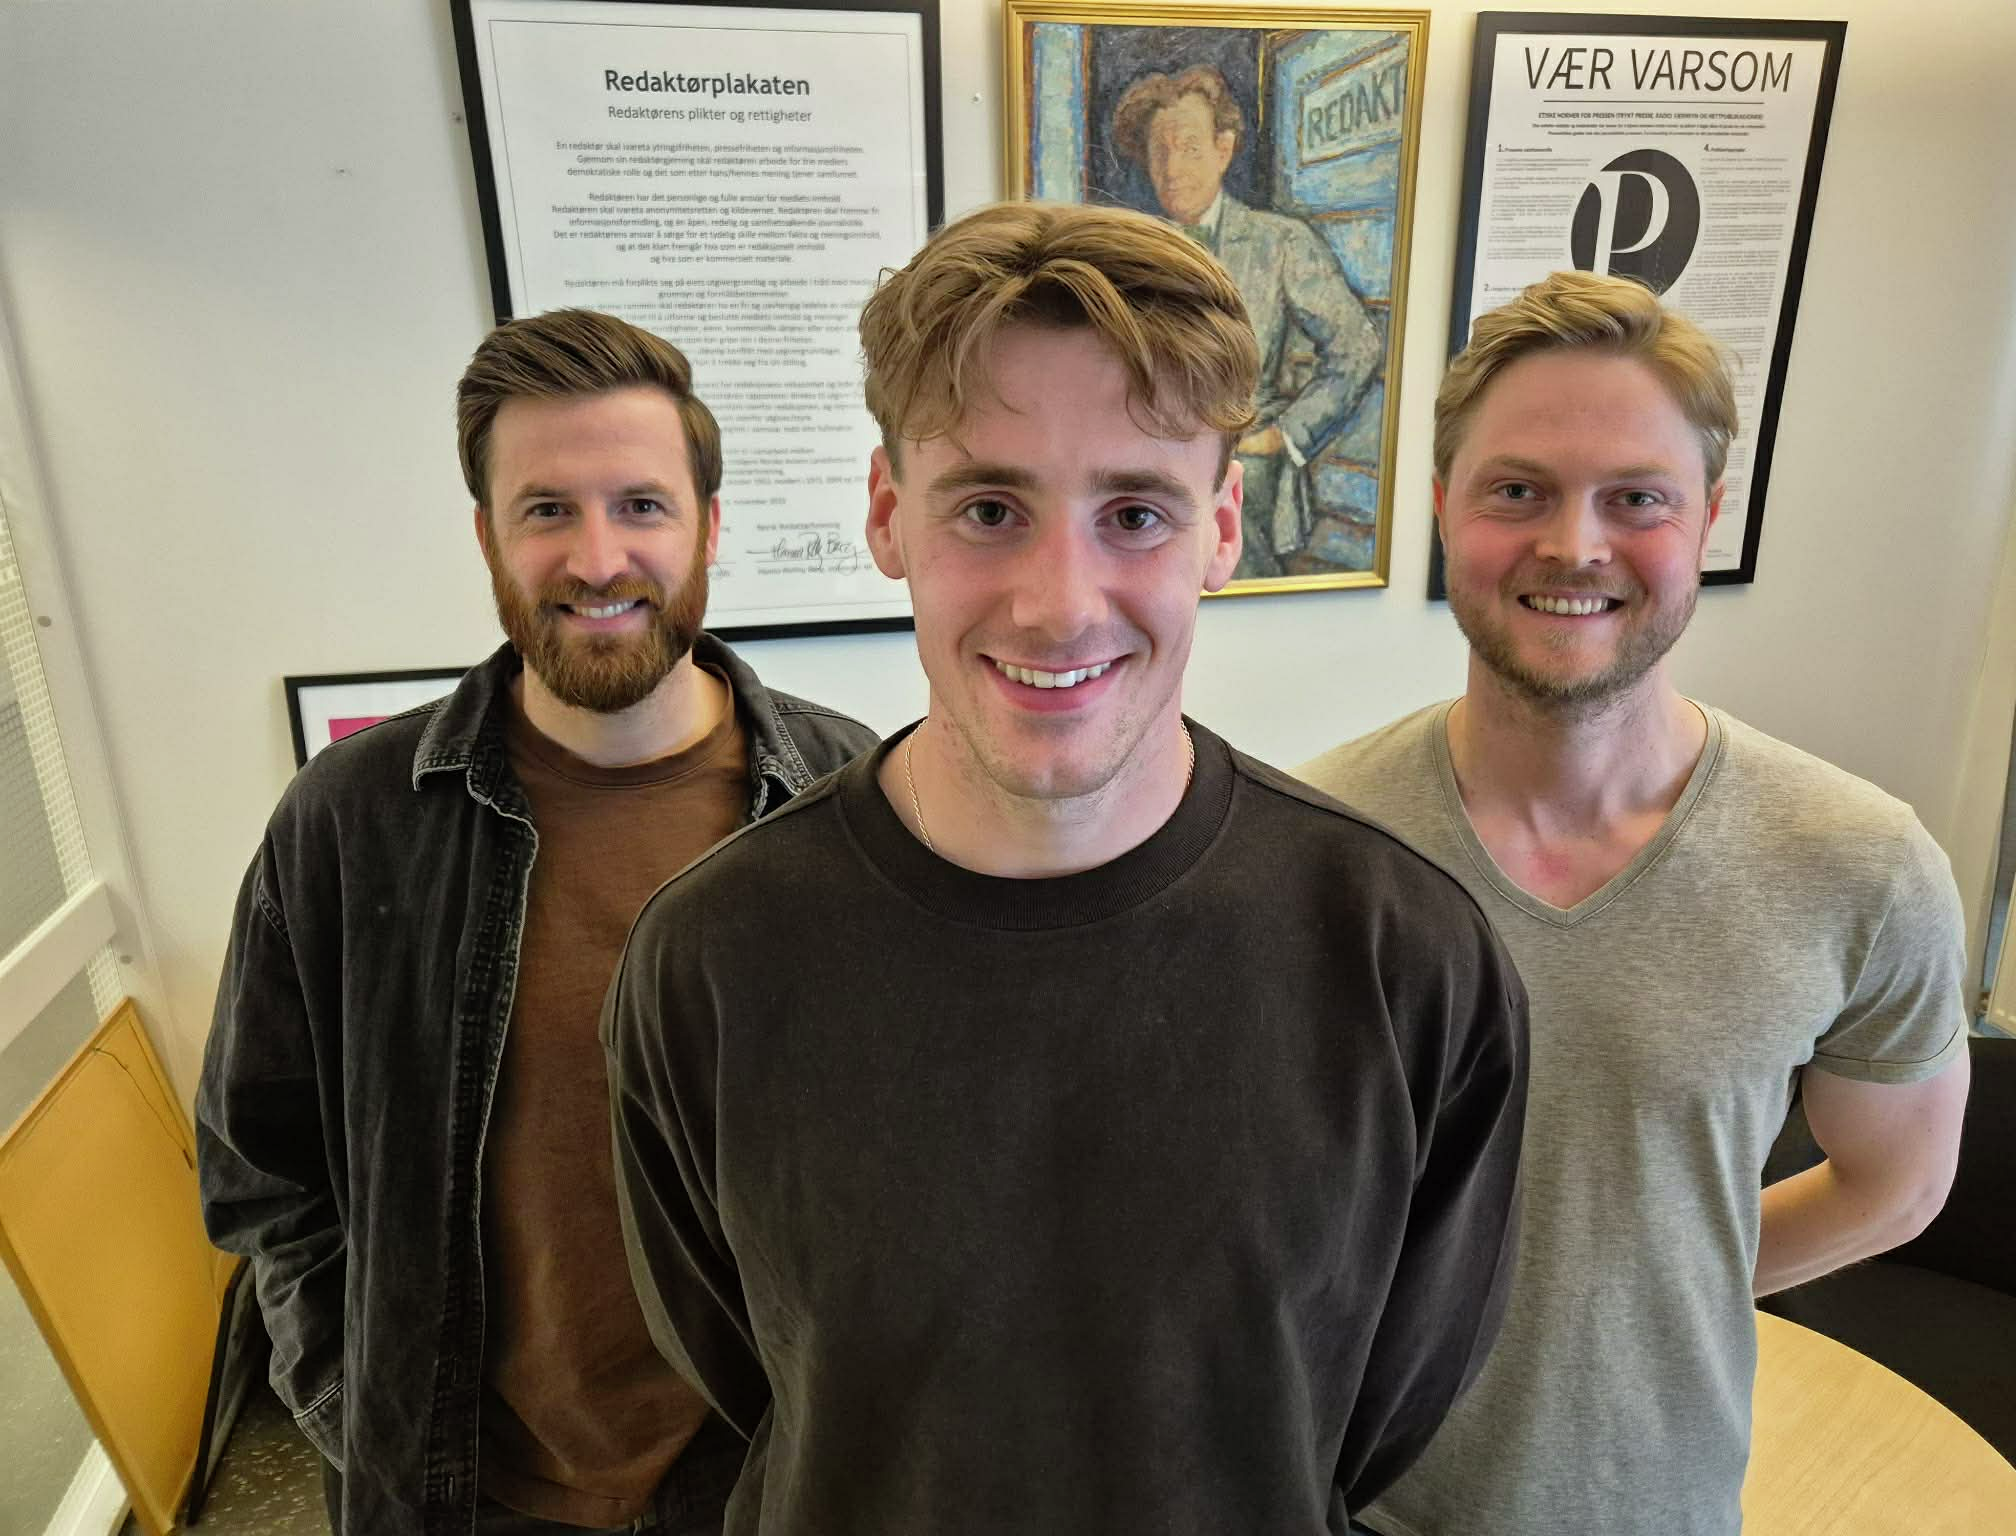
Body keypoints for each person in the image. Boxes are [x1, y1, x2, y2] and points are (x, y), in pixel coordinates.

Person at [602, 201, 1529, 1536]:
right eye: (989, 508)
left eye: (1135, 513)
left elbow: (1373, 1415)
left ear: (1221, 530)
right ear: (888, 516)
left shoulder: (1402, 960)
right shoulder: (711, 957)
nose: (1059, 603)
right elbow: (753, 1376)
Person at [1298, 269, 1972, 1536]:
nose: (1573, 544)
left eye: (1635, 498)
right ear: (1441, 505)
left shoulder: (1858, 864)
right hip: (1350, 1509)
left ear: (1706, 516)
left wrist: (1663, 1284)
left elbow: (1895, 1182)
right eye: (1516, 490)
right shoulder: (1314, 848)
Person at [195, 309, 876, 1535]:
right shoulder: (348, 823)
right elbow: (259, 1171)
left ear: (710, 525)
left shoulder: (849, 803)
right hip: (462, 1492)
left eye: (641, 505)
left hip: (769, 1484)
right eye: (547, 509)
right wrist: (353, 1404)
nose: (597, 558)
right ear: (488, 538)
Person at [1111, 63, 1381, 578]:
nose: (1172, 168)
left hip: (1248, 479)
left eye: (1189, 147)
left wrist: (1285, 435)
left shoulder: (1279, 242)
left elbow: (1357, 345)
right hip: (1139, 484)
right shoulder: (1124, 252)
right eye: (1159, 151)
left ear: (1224, 149)